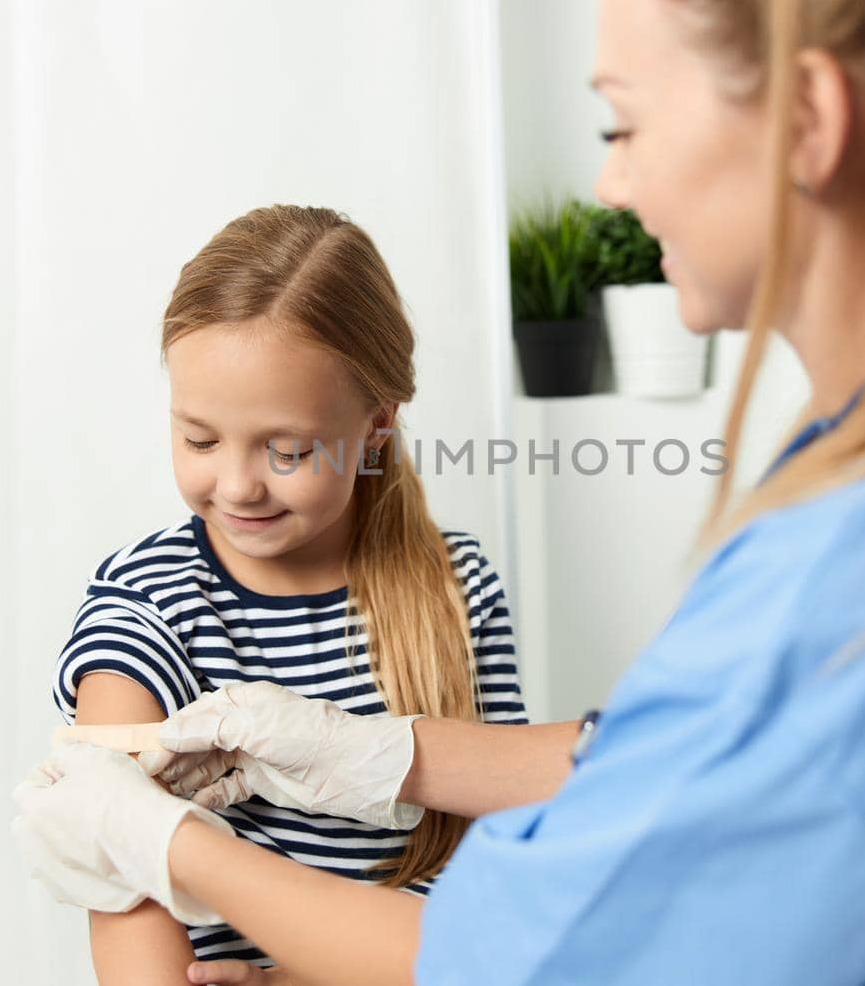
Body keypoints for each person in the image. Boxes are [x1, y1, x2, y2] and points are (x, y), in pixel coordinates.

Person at [13, 0, 865, 983]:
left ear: (805, 120)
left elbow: (511, 959)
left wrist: (165, 844)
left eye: (622, 121)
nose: (607, 180)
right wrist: (391, 754)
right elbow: (669, 771)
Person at [45, 204, 528, 978]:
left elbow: (503, 858)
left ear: (376, 423)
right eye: (198, 438)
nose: (237, 485)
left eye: (288, 449)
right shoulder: (149, 600)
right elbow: (122, 873)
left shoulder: (457, 587)